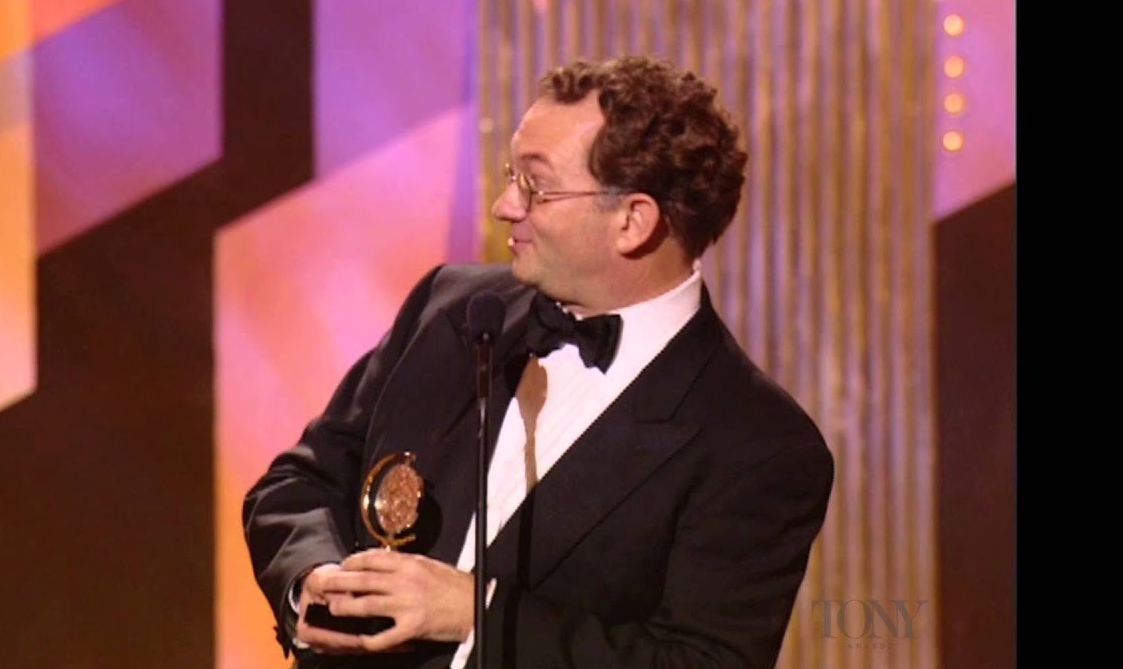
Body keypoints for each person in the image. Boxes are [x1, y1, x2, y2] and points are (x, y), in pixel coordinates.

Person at [243, 55, 835, 669]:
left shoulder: (759, 445)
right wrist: (309, 579)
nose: (504, 205)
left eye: (535, 185)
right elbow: (300, 482)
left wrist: (479, 613)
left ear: (633, 222)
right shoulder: (450, 307)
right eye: (510, 175)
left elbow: (702, 663)